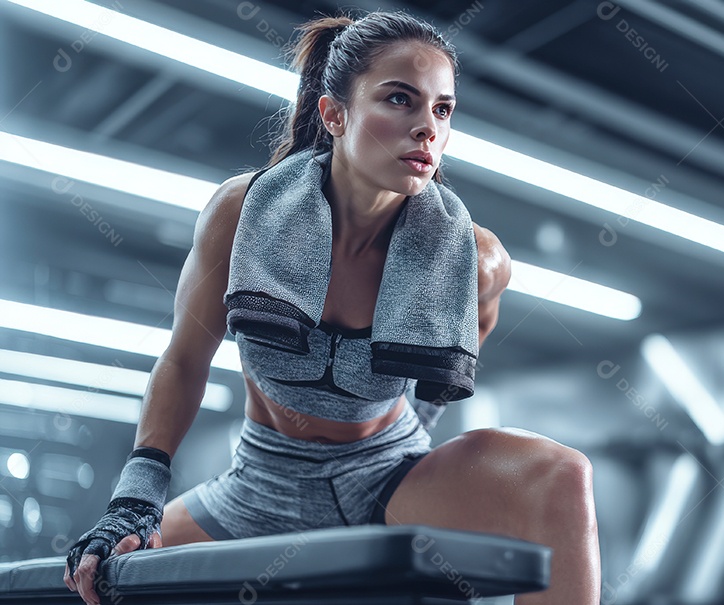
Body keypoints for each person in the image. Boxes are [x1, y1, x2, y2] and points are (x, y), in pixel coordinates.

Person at [63, 10, 600, 605]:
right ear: (334, 113)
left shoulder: (476, 261)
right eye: (400, 99)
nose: (427, 127)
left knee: (563, 475)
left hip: (388, 482)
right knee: (102, 582)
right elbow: (184, 360)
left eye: (442, 109)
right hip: (256, 486)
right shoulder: (243, 214)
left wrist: (409, 453)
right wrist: (135, 500)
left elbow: (441, 383)